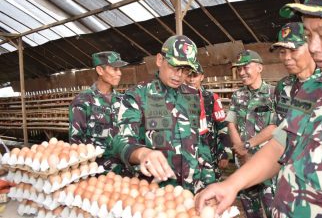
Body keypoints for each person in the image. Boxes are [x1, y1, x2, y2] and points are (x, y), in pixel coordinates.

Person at [195, 0, 322, 217]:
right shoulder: (314, 86)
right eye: (308, 35)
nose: (313, 47)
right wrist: (231, 185)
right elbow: (281, 145)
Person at [111, 35, 215, 193]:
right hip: (156, 191)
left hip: (191, 190)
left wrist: (209, 183)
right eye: (175, 66)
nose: (180, 75)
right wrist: (143, 153)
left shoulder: (193, 96)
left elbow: (201, 142)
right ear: (160, 60)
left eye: (186, 70)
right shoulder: (138, 95)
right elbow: (121, 141)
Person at [226, 50, 276, 218]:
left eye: (245, 67)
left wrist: (246, 146)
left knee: (273, 209)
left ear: (259, 67)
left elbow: (274, 127)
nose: (241, 73)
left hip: (268, 164)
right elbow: (231, 123)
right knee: (250, 211)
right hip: (244, 163)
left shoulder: (273, 94)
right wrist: (241, 152)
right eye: (239, 69)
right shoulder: (237, 95)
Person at [69, 51, 131, 176]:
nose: (119, 73)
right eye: (114, 69)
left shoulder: (123, 101)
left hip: (123, 173)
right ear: (100, 70)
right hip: (97, 174)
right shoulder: (82, 102)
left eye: (119, 69)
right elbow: (76, 145)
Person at [185, 64, 230, 181]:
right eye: (188, 75)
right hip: (187, 154)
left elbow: (222, 127)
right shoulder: (178, 99)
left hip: (210, 154)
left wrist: (224, 154)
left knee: (212, 187)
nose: (191, 79)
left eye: (195, 75)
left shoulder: (211, 98)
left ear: (202, 77)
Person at [270, 22, 319, 125]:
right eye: (282, 52)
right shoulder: (282, 86)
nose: (287, 57)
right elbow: (279, 126)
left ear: (311, 47)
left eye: (293, 50)